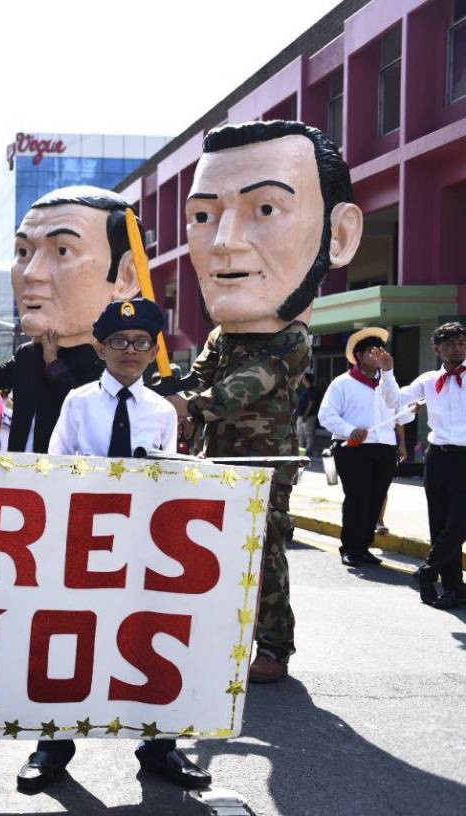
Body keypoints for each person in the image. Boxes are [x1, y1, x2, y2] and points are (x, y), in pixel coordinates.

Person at [168, 120, 364, 684]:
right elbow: (201, 374)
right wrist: (169, 394)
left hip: (264, 463)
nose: (225, 241)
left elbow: (243, 388)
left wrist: (193, 406)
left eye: (266, 209)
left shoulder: (290, 339)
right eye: (204, 216)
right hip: (217, 459)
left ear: (337, 234)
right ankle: (221, 639)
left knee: (266, 553)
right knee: (216, 554)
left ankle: (275, 646)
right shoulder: (222, 337)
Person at [18, 297, 208, 792]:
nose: (131, 350)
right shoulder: (78, 401)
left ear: (153, 350)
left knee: (151, 638)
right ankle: (52, 746)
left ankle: (159, 747)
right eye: (119, 341)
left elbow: (171, 479)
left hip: (145, 543)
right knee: (70, 639)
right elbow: (54, 466)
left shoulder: (161, 410)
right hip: (84, 540)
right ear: (100, 348)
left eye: (142, 342)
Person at [0, 186, 141, 453]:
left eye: (63, 250)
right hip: (19, 461)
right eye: (23, 252)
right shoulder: (27, 355)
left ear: (126, 277)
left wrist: (53, 363)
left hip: (68, 467)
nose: (31, 273)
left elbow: (85, 406)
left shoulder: (102, 358)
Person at [384, 321, 466, 609]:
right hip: (438, 456)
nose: (456, 349)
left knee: (459, 523)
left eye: (461, 343)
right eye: (449, 344)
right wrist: (388, 372)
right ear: (436, 349)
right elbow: (395, 402)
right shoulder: (429, 380)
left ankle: (427, 571)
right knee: (440, 523)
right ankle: (454, 588)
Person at [317, 328, 404, 568]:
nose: (379, 356)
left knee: (376, 499)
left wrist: (389, 372)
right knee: (357, 498)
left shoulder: (387, 380)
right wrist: (349, 429)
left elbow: (395, 404)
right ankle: (350, 548)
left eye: (382, 351)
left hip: (384, 448)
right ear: (358, 356)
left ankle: (364, 547)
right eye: (372, 352)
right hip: (353, 448)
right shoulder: (342, 383)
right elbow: (327, 415)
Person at [295, 372, 318, 454]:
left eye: (304, 378)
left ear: (306, 379)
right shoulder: (304, 390)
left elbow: (311, 403)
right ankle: (302, 452)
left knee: (308, 435)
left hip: (308, 417)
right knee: (300, 435)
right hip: (301, 416)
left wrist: (306, 415)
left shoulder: (312, 390)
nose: (302, 379)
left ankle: (308, 451)